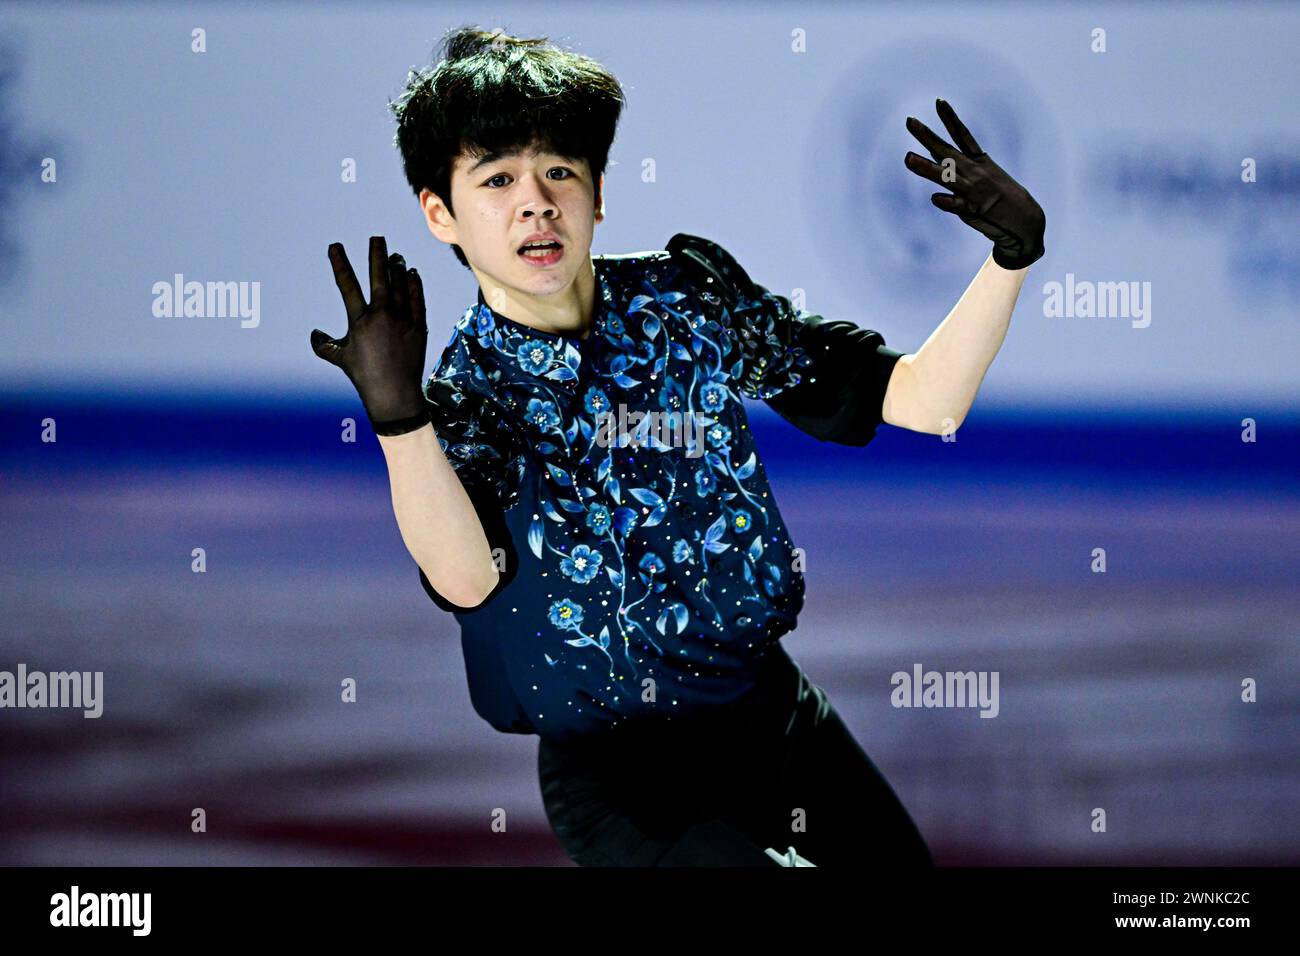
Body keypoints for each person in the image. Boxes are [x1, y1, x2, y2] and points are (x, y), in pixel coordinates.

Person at [310, 26, 1044, 867]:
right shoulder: (473, 395)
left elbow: (922, 401)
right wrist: (401, 418)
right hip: (628, 784)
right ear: (440, 211)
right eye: (498, 178)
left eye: (560, 171)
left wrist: (1009, 259)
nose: (537, 203)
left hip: (776, 723)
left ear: (597, 192)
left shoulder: (690, 299)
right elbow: (467, 578)